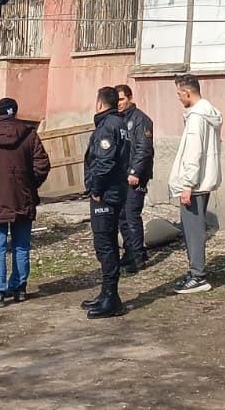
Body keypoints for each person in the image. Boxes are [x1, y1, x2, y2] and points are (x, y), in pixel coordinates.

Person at [0, 97, 50, 307]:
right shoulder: (29, 134)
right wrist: (29, 185)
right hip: (23, 197)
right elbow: (42, 165)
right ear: (15, 111)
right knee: (21, 245)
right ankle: (19, 288)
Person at [168, 74, 222, 295]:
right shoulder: (207, 113)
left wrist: (187, 184)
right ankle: (195, 273)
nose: (178, 98)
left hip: (194, 183)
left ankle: (197, 276)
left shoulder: (197, 118)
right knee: (195, 229)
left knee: (193, 231)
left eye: (179, 94)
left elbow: (193, 153)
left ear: (188, 93)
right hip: (202, 181)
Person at [82, 85, 130, 319]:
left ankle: (111, 297)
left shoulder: (108, 126)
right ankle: (106, 293)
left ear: (100, 103)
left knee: (105, 244)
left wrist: (96, 189)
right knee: (107, 241)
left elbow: (105, 162)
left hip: (107, 194)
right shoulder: (118, 123)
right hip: (115, 191)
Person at [115, 83, 154, 273]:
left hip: (136, 176)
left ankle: (138, 257)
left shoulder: (141, 120)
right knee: (122, 215)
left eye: (122, 99)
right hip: (121, 175)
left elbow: (144, 149)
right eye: (116, 100)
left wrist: (135, 172)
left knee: (131, 215)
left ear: (130, 98)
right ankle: (130, 251)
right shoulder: (118, 119)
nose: (119, 103)